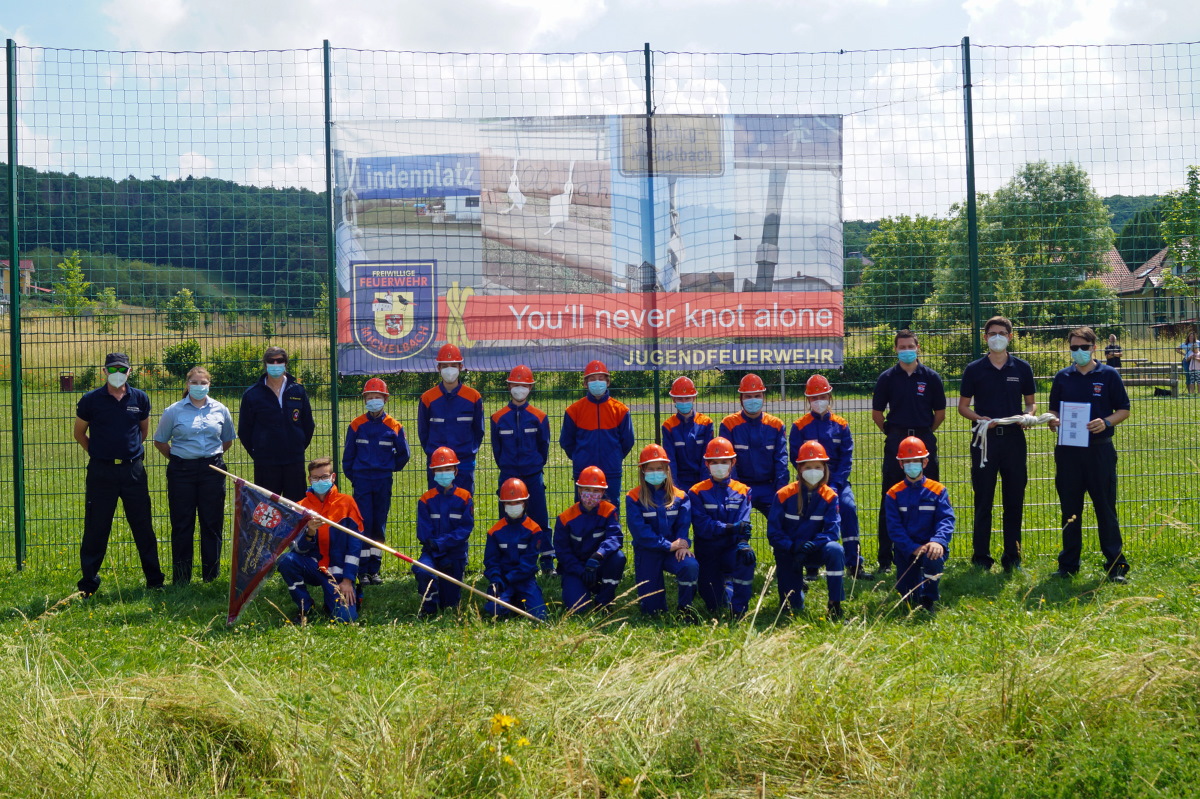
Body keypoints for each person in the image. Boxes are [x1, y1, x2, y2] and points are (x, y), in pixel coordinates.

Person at [73, 352, 165, 596]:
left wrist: (128, 454)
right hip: (101, 472)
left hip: (133, 471)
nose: (117, 374)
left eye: (121, 370)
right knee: (96, 527)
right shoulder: (90, 400)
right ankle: (88, 585)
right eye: (112, 370)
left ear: (129, 371)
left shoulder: (140, 398)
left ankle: (155, 580)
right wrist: (101, 453)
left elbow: (142, 432)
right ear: (104, 372)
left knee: (143, 525)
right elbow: (79, 433)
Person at [1047, 326, 1132, 582]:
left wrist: (1106, 422)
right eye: (1074, 348)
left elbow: (1124, 409)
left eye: (1084, 347)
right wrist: (1053, 421)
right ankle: (1068, 564)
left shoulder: (1109, 375)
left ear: (1094, 347)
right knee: (1070, 509)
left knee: (1105, 508)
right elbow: (1054, 411)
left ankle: (1115, 566)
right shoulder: (1063, 377)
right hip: (1068, 452)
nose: (1079, 352)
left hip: (1099, 450)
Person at [956, 316, 1036, 572]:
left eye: (1002, 333)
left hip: (1014, 440)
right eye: (992, 333)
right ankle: (981, 557)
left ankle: (1012, 557)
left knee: (1014, 500)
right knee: (983, 500)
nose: (997, 337)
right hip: (985, 442)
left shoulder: (1022, 368)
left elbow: (1031, 403)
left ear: (1010, 336)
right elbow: (963, 406)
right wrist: (979, 419)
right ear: (985, 337)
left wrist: (1027, 415)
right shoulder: (974, 369)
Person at [871, 330, 946, 574]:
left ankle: (935, 550)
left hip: (924, 438)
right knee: (889, 497)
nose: (906, 349)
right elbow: (877, 414)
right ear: (895, 349)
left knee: (931, 496)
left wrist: (921, 433)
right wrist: (895, 435)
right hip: (896, 441)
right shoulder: (886, 378)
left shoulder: (932, 377)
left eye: (910, 345)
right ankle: (885, 558)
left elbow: (940, 414)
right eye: (901, 346)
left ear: (918, 347)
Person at [152, 366, 236, 585]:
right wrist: (180, 458)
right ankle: (181, 578)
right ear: (187, 384)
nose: (199, 387)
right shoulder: (174, 411)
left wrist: (208, 458)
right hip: (182, 472)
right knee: (182, 523)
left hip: (213, 471)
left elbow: (227, 439)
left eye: (203, 383)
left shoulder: (220, 409)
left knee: (212, 522)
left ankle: (211, 576)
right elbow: (160, 441)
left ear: (209, 385)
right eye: (195, 382)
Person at [789, 374, 872, 580]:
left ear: (830, 396)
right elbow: (795, 457)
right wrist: (812, 482)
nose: (819, 400)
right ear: (808, 400)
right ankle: (811, 565)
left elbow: (846, 458)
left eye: (823, 396)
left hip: (837, 484)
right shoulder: (799, 426)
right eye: (814, 397)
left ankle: (854, 564)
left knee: (848, 509)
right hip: (809, 484)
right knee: (808, 514)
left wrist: (834, 484)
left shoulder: (841, 425)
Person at [277, 457, 362, 624]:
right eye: (315, 478)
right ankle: (305, 607)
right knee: (286, 561)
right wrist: (310, 531)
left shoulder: (347, 503)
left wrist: (348, 580)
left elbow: (355, 545)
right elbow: (297, 549)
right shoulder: (301, 507)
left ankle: (351, 595)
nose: (320, 481)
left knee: (345, 619)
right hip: (314, 566)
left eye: (324, 477)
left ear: (333, 477)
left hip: (338, 571)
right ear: (309, 480)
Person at [342, 378, 410, 585]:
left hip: (383, 480)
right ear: (364, 400)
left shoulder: (394, 426)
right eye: (369, 397)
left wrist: (388, 467)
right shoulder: (356, 425)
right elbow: (348, 458)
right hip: (362, 481)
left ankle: (374, 569)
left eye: (377, 397)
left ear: (385, 399)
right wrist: (357, 476)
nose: (373, 401)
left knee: (378, 524)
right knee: (363, 523)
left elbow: (404, 455)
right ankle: (361, 571)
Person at [767, 441, 846, 619]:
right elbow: (774, 532)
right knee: (792, 608)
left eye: (817, 466)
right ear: (799, 468)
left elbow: (833, 531)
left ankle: (835, 604)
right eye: (808, 466)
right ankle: (793, 593)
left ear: (825, 468)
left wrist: (812, 545)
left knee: (836, 550)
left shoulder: (830, 496)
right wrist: (793, 546)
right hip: (790, 552)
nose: (813, 471)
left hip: (816, 550)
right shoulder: (783, 494)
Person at [490, 365, 553, 573]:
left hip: (533, 475)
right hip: (508, 475)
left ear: (530, 388)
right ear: (509, 386)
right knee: (506, 519)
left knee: (540, 518)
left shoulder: (540, 417)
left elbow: (543, 446)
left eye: (524, 385)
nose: (519, 389)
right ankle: (506, 562)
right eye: (515, 384)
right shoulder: (497, 418)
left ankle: (546, 562)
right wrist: (508, 467)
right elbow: (497, 449)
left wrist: (534, 465)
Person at [626, 444, 699, 618]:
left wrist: (682, 544)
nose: (655, 472)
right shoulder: (633, 497)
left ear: (667, 469)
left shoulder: (681, 496)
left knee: (690, 566)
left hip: (674, 551)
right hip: (648, 552)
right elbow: (640, 532)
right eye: (650, 468)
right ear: (643, 470)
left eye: (659, 468)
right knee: (652, 611)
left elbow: (684, 524)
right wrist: (668, 545)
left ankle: (685, 609)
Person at [883, 437, 955, 612]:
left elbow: (946, 519)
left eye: (916, 461)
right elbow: (894, 528)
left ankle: (930, 597)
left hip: (931, 545)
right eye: (907, 462)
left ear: (925, 462)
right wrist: (912, 548)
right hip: (906, 550)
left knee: (934, 559)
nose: (911, 465)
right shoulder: (893, 493)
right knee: (907, 596)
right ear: (901, 464)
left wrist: (938, 541)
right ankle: (915, 590)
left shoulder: (938, 490)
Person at [688, 437, 755, 618]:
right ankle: (725, 586)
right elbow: (702, 526)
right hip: (707, 550)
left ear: (733, 462)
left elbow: (744, 523)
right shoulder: (695, 491)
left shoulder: (743, 490)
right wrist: (729, 527)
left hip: (732, 548)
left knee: (747, 558)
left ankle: (739, 608)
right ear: (707, 464)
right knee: (714, 604)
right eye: (714, 462)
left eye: (724, 462)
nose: (719, 466)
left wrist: (742, 542)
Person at [238, 346, 315, 502]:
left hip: (294, 461)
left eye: (279, 360)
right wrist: (259, 452)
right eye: (271, 361)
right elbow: (244, 431)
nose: (275, 363)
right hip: (266, 463)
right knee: (267, 510)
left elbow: (308, 425)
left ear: (285, 363)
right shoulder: (252, 394)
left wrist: (296, 447)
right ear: (265, 364)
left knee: (296, 508)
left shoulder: (298, 391)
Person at [561, 360, 636, 505]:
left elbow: (628, 441)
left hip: (611, 471)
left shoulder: (621, 410)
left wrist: (615, 456)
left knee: (611, 509)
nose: (597, 382)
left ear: (608, 382)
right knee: (583, 509)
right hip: (583, 471)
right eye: (592, 379)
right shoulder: (573, 411)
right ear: (585, 383)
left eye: (601, 378)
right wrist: (579, 457)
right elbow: (566, 441)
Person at [553, 466, 627, 614]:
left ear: (603, 492)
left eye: (596, 491)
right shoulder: (565, 518)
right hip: (576, 567)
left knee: (618, 558)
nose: (591, 495)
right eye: (587, 489)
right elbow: (563, 553)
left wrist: (598, 555)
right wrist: (581, 571)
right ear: (579, 490)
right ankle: (584, 587)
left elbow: (615, 537)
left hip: (599, 562)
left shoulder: (609, 511)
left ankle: (604, 599)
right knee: (578, 609)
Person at [414, 446, 475, 615]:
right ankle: (427, 608)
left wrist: (443, 546)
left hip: (455, 555)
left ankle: (445, 594)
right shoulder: (426, 499)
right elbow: (424, 532)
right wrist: (437, 550)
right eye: (439, 470)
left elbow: (465, 529)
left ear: (456, 471)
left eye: (447, 469)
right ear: (433, 472)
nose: (443, 473)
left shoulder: (465, 497)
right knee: (423, 571)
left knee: (450, 604)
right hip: (431, 552)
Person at [418, 344, 485, 494]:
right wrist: (434, 454)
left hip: (464, 463)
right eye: (445, 365)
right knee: (436, 507)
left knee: (463, 506)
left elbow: (478, 431)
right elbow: (423, 432)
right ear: (438, 368)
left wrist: (468, 452)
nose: (449, 369)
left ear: (461, 366)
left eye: (453, 365)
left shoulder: (473, 397)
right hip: (437, 464)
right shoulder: (427, 398)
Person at [718, 373, 788, 518]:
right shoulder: (728, 424)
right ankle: (740, 541)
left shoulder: (776, 425)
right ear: (741, 399)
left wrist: (780, 491)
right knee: (736, 527)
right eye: (748, 396)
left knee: (784, 524)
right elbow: (727, 462)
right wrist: (735, 489)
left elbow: (781, 460)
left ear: (764, 397)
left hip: (769, 487)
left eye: (757, 396)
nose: (753, 400)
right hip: (740, 486)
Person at [483, 478, 548, 621]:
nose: (513, 506)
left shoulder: (534, 530)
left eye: (517, 502)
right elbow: (491, 560)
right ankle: (510, 601)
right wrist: (496, 579)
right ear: (503, 504)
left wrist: (508, 578)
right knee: (495, 610)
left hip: (525, 580)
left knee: (540, 615)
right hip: (502, 581)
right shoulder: (495, 532)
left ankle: (520, 599)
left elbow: (529, 563)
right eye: (509, 503)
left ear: (525, 503)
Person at [661, 376, 714, 490]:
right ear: (673, 399)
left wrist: (703, 486)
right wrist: (674, 487)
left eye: (687, 398)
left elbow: (707, 458)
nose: (684, 402)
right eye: (680, 399)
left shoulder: (706, 423)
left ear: (694, 398)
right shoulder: (668, 426)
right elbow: (670, 460)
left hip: (701, 479)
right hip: (679, 481)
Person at [1179, 330, 1200, 396]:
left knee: (1198, 378)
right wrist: (1184, 354)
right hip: (1187, 360)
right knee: (1189, 376)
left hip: (1197, 361)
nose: (1191, 337)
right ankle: (1190, 392)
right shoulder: (1185, 344)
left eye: (1192, 336)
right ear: (1188, 337)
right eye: (1190, 336)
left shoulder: (1198, 342)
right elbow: (1177, 349)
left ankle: (1198, 392)